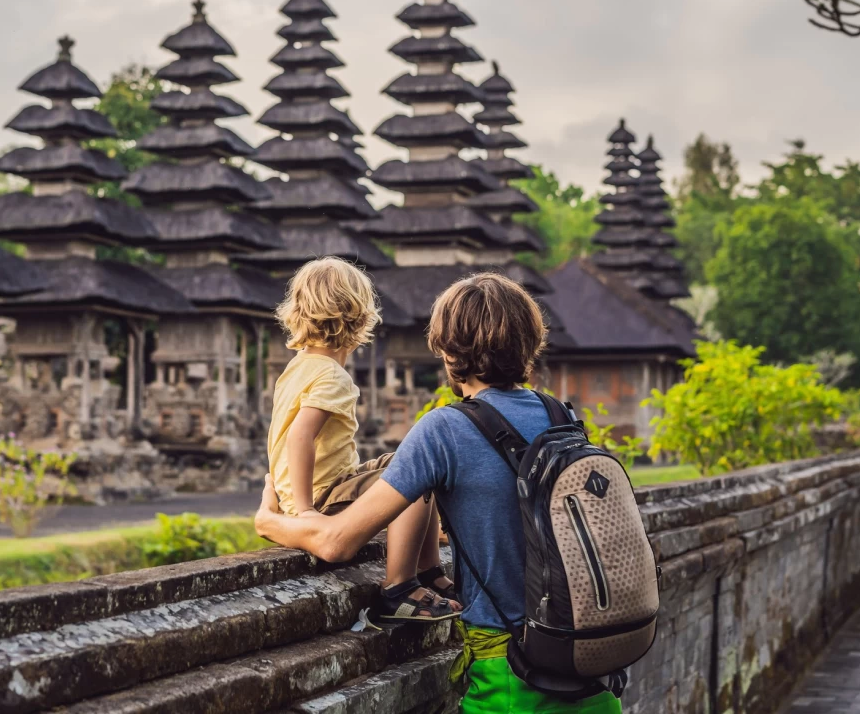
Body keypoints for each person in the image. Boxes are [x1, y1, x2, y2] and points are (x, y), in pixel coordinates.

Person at [256, 272, 622, 713]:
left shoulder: (444, 429)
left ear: (448, 353)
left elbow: (336, 542)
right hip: (596, 672)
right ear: (531, 345)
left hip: (514, 682)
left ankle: (406, 583)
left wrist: (271, 520)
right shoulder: (559, 414)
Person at [268, 256, 459, 623]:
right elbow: (300, 435)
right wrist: (307, 510)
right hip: (324, 494)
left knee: (405, 459)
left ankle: (429, 561)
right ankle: (400, 586)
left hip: (311, 488)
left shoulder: (296, 368)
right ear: (359, 317)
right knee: (417, 475)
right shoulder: (332, 377)